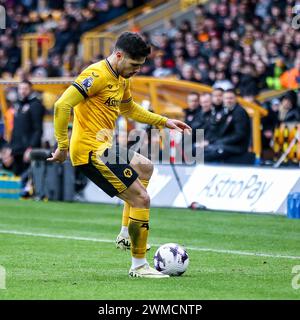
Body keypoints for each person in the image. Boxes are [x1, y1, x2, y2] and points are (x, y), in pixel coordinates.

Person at [47, 32, 191, 278]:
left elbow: (128, 108)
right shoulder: (96, 75)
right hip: (90, 150)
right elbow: (62, 105)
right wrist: (62, 145)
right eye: (134, 65)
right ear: (119, 55)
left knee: (145, 168)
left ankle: (126, 232)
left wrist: (164, 121)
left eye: (140, 66)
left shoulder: (122, 78)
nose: (136, 70)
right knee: (141, 200)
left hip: (104, 146)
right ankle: (139, 266)